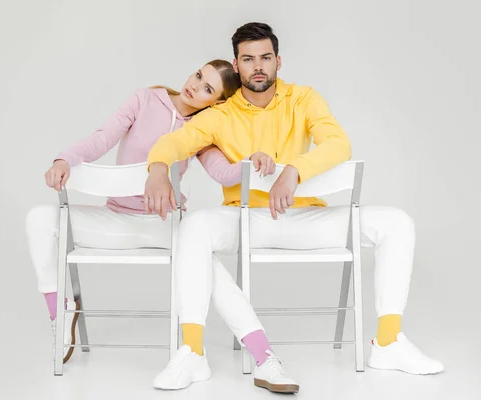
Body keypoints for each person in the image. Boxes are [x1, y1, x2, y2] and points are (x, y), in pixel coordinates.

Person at [145, 22, 445, 391]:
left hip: (307, 216)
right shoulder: (219, 115)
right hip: (247, 219)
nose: (258, 66)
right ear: (236, 67)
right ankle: (192, 353)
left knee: (397, 222)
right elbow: (173, 143)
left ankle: (388, 342)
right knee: (192, 228)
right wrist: (158, 170)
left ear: (278, 62)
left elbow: (338, 144)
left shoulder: (303, 98)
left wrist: (294, 171)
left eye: (265, 58)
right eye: (248, 59)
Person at [25, 59, 281, 372]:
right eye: (198, 75)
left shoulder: (200, 128)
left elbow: (222, 173)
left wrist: (249, 162)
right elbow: (103, 137)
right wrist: (65, 159)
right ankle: (61, 312)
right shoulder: (144, 99)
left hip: (164, 224)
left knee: (209, 268)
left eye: (207, 89)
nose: (194, 86)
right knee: (39, 219)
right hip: (116, 219)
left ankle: (262, 352)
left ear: (217, 103)